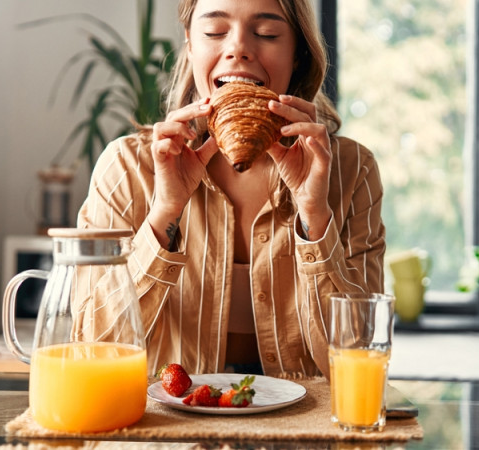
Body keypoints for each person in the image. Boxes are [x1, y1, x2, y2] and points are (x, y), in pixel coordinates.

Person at [73, 0, 385, 378]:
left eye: (267, 33)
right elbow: (91, 348)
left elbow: (361, 359)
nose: (238, 48)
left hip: (301, 429)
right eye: (214, 32)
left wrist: (314, 215)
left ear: (299, 54)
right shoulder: (125, 169)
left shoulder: (350, 170)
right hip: (171, 431)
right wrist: (164, 214)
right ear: (190, 45)